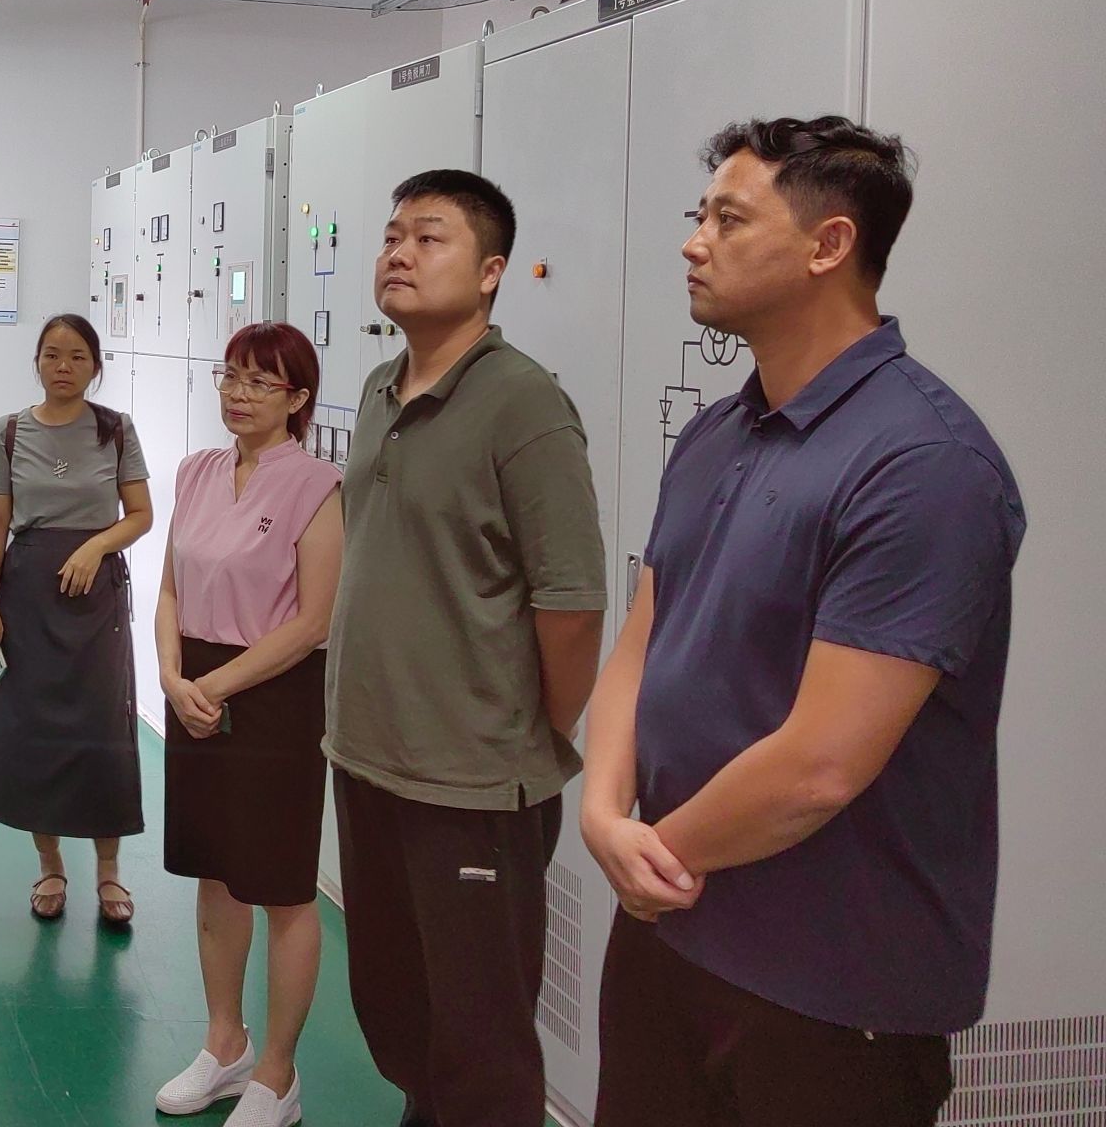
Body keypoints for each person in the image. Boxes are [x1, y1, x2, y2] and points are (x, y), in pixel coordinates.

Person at [582, 118, 1025, 1127]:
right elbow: (641, 644)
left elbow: (821, 765)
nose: (693, 242)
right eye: (698, 216)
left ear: (828, 245)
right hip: (667, 935)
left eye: (727, 220)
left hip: (829, 983)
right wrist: (605, 818)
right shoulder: (715, 431)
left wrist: (652, 858)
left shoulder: (922, 464)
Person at [324, 170, 608, 1127]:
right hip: (368, 759)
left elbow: (572, 606)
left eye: (428, 237)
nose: (398, 253)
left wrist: (523, 734)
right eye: (391, 236)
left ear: (491, 272)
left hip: (472, 784)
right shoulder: (378, 388)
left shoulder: (524, 404)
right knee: (398, 1014)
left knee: (481, 1044)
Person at [153, 322, 343, 1127]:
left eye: (260, 382)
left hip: (273, 696)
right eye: (230, 376)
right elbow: (170, 588)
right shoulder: (196, 470)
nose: (238, 393)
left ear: (297, 399)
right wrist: (171, 678)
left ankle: (277, 1074)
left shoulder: (318, 486)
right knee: (217, 872)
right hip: (194, 689)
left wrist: (214, 686)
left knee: (281, 886)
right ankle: (225, 1042)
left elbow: (312, 621)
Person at [0, 313, 153, 925]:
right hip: (27, 596)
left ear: (95, 366)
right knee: (33, 729)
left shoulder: (116, 430)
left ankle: (109, 871)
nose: (63, 367)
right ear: (37, 363)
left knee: (104, 729)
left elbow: (141, 514)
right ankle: (50, 866)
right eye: (52, 355)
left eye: (77, 356)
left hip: (95, 599)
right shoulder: (7, 433)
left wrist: (96, 546)